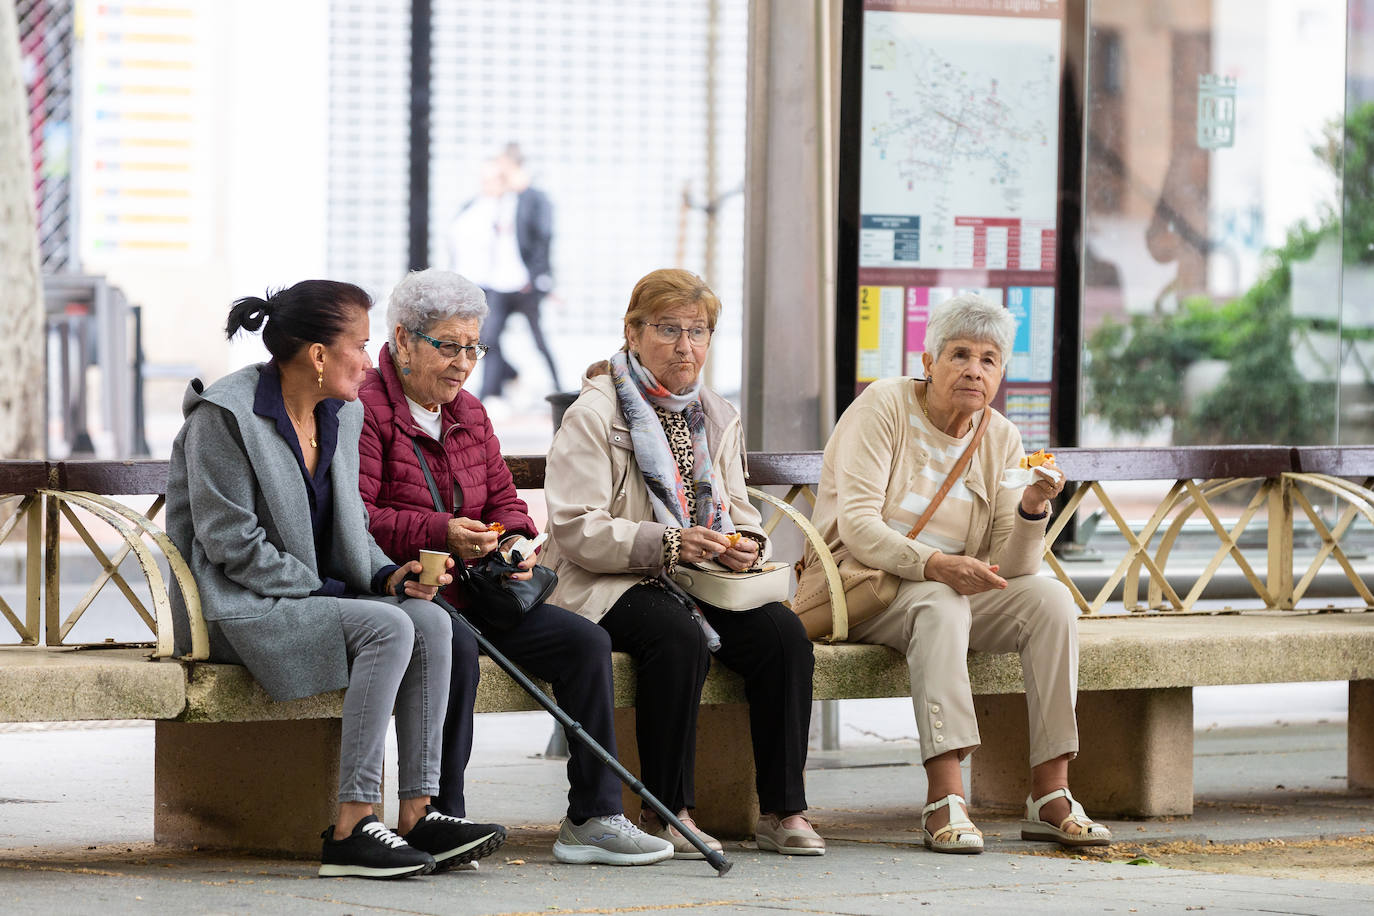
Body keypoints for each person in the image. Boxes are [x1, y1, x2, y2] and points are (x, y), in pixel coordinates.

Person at [165, 280, 507, 879]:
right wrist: (340, 594)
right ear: (319, 355)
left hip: (310, 600)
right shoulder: (225, 416)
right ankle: (352, 825)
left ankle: (418, 812)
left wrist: (384, 574)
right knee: (386, 629)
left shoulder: (341, 415)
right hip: (237, 606)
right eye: (362, 344)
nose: (373, 360)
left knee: (429, 619)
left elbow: (348, 526)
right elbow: (231, 547)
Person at [357, 269, 673, 867]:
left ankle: (595, 817)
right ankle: (439, 816)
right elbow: (360, 515)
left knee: (585, 642)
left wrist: (515, 544)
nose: (464, 363)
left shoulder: (469, 412)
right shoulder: (366, 411)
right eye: (448, 346)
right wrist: (440, 533)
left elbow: (505, 501)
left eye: (475, 346)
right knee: (448, 644)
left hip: (484, 590)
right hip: (410, 593)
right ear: (402, 339)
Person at [800, 293, 1112, 854]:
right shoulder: (884, 407)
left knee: (1050, 600)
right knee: (940, 601)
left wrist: (1033, 508)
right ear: (928, 361)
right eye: (960, 354)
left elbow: (1011, 567)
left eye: (989, 359)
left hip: (951, 589)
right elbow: (860, 525)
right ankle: (945, 797)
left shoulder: (1001, 438)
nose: (974, 369)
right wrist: (936, 564)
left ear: (1001, 373)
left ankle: (1051, 792)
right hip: (867, 586)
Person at [541, 268, 824, 857]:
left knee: (783, 635)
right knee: (674, 636)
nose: (685, 346)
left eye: (698, 331)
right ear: (633, 331)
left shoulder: (715, 414)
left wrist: (747, 546)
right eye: (668, 329)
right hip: (607, 577)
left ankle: (782, 808)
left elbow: (739, 511)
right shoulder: (595, 412)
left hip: (701, 575)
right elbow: (574, 527)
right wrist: (668, 542)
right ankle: (669, 809)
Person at [447, 143, 560, 402]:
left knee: (538, 340)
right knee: (488, 338)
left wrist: (541, 279)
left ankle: (557, 385)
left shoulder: (527, 199)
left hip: (522, 285)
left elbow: (540, 239)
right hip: (495, 285)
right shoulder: (480, 205)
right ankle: (490, 393)